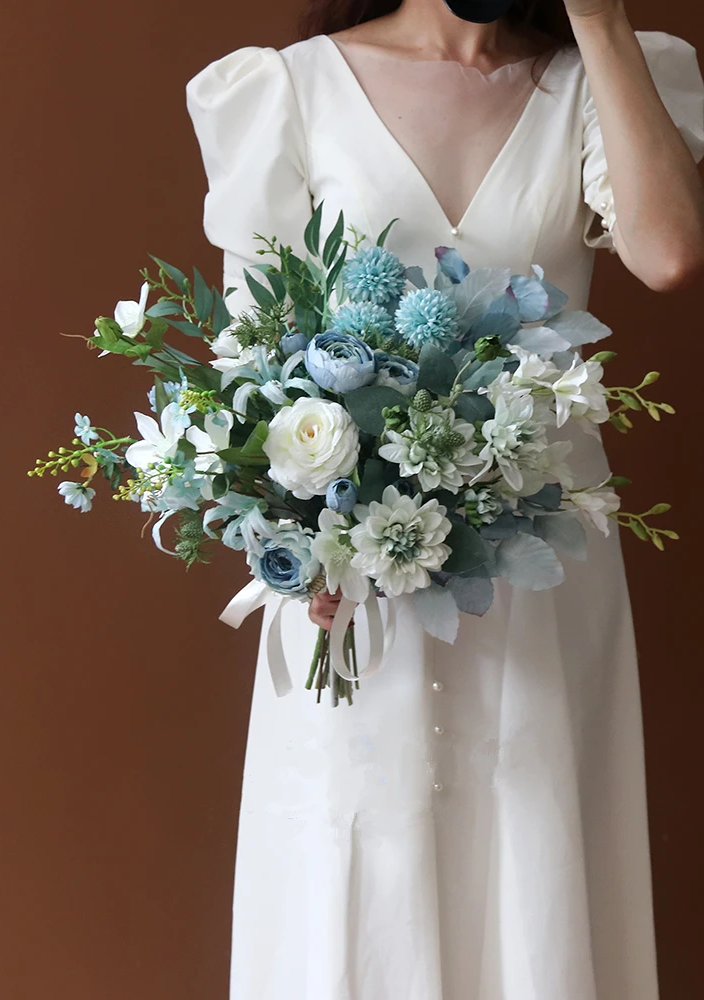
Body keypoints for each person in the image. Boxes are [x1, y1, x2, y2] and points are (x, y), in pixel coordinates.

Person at [185, 1, 704, 996]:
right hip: (357, 562)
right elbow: (253, 357)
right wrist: (288, 539)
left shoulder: (601, 80)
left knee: (537, 855)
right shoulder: (289, 88)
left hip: (547, 564)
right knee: (359, 871)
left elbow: (670, 252)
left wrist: (597, 19)